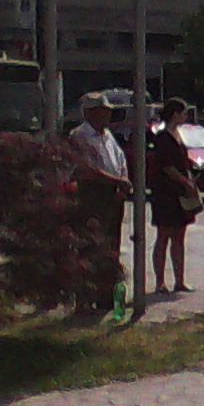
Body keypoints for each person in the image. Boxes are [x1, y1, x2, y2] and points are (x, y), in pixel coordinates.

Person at [70, 91, 131, 315]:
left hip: (113, 195)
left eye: (107, 111)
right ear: (89, 112)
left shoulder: (108, 135)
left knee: (111, 247)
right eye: (102, 110)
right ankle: (84, 299)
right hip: (92, 195)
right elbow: (87, 169)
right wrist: (118, 180)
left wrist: (123, 183)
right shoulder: (80, 136)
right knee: (90, 246)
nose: (106, 115)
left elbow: (120, 160)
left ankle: (106, 296)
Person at [147, 97, 198, 294]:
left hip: (180, 193)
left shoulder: (178, 135)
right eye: (183, 112)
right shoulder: (162, 137)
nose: (185, 117)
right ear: (175, 114)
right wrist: (185, 183)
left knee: (179, 236)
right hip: (165, 192)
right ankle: (160, 282)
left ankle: (180, 280)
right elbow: (167, 167)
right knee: (164, 235)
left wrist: (190, 180)